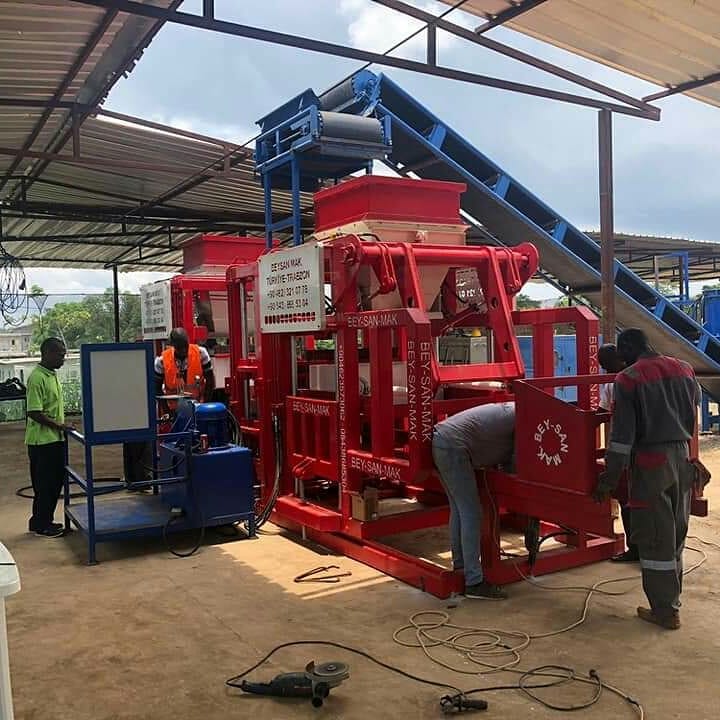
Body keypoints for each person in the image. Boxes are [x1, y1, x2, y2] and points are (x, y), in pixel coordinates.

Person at [593, 328, 701, 630]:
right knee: (676, 533)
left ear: (629, 348)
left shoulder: (628, 379)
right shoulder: (684, 369)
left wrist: (609, 478)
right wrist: (694, 460)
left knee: (655, 540)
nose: (619, 359)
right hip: (682, 459)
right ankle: (672, 602)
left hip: (651, 464)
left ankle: (664, 611)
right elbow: (692, 422)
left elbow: (621, 439)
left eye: (620, 353)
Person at [432, 402, 515, 600]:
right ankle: (474, 581)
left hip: (442, 440)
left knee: (460, 509)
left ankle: (461, 567)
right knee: (471, 512)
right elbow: (517, 463)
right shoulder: (525, 418)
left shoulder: (513, 410)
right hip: (454, 447)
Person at [25, 338, 74, 538]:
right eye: (60, 355)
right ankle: (41, 525)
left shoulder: (51, 375)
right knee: (45, 485)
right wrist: (59, 426)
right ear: (47, 353)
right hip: (43, 442)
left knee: (54, 483)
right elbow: (34, 412)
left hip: (55, 439)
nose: (63, 359)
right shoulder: (37, 378)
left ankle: (42, 520)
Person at [597, 343, 638, 563]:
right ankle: (643, 547)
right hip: (638, 449)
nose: (603, 367)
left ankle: (636, 548)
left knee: (627, 501)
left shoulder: (616, 382)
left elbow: (601, 412)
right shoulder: (625, 379)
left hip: (623, 450)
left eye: (604, 363)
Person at [155, 327, 215, 414]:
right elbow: (157, 389)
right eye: (179, 348)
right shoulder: (161, 361)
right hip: (173, 410)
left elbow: (210, 381)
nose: (183, 350)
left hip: (198, 407)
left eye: (185, 346)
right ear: (173, 345)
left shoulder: (201, 353)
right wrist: (167, 411)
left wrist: (205, 406)